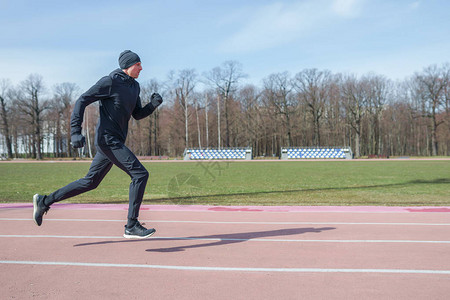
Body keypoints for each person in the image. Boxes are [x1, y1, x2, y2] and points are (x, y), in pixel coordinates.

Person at [32, 50, 163, 239]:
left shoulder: (135, 87)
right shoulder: (110, 82)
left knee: (90, 182)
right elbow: (82, 100)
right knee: (140, 174)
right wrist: (76, 131)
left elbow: (137, 114)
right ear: (128, 66)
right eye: (138, 64)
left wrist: (153, 105)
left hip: (115, 142)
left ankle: (45, 201)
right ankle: (131, 225)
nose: (141, 68)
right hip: (107, 140)